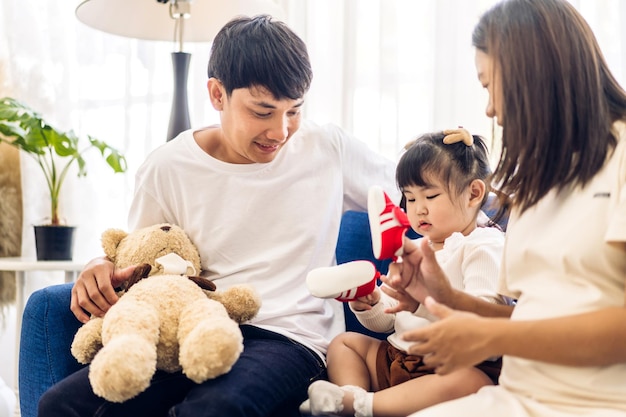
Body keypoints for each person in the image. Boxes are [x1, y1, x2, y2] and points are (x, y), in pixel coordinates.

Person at [36, 15, 403, 417]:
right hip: (188, 328)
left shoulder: (327, 149)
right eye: (263, 112)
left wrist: (461, 158)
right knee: (61, 405)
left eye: (293, 111)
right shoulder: (168, 167)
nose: (281, 131)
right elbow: (145, 257)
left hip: (291, 339)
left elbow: (414, 188)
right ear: (217, 94)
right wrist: (101, 263)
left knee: (213, 409)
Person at [382, 0, 626, 416]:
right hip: (516, 397)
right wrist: (445, 297)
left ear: (537, 75)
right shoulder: (541, 180)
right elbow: (528, 316)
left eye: (490, 85)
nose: (490, 109)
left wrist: (490, 339)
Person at [300, 129, 508, 417]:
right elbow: (389, 321)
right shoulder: (416, 247)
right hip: (397, 358)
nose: (418, 210)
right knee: (345, 343)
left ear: (473, 193)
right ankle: (351, 392)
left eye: (430, 196)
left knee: (473, 383)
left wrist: (423, 302)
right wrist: (372, 304)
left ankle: (358, 405)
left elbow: (482, 320)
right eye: (409, 198)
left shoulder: (484, 245)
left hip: (449, 366)